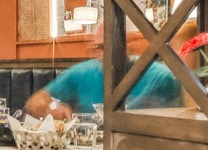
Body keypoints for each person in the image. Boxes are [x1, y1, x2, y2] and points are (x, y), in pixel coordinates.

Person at [24, 27, 183, 119]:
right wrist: (53, 106)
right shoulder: (81, 73)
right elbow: (35, 102)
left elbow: (175, 130)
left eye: (109, 46)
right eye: (98, 48)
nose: (102, 54)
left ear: (127, 44)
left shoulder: (161, 77)